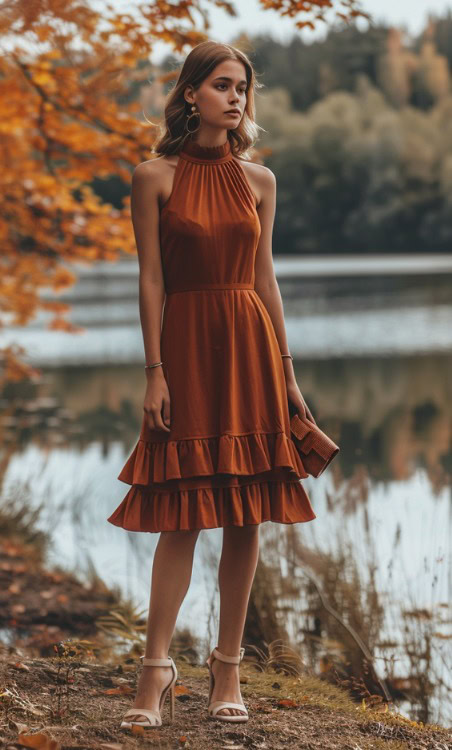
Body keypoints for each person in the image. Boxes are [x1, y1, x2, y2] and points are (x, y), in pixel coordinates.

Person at [107, 40, 317, 729]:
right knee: (180, 511)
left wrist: (287, 374)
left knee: (246, 510)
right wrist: (154, 372)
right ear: (191, 92)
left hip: (251, 347)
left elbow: (265, 280)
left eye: (243, 88)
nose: (237, 98)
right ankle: (155, 674)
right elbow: (150, 280)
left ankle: (227, 672)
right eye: (223, 85)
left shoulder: (261, 181)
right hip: (187, 348)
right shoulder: (153, 176)